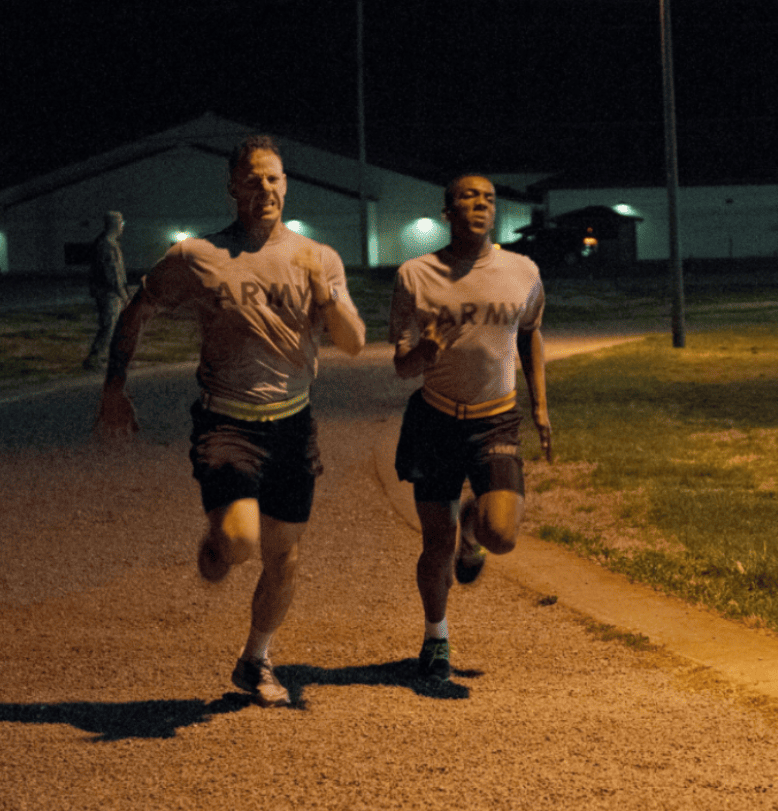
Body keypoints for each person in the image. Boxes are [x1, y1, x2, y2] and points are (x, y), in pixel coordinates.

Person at [94, 135, 366, 706]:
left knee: (284, 556)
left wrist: (330, 299)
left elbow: (354, 342)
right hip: (227, 424)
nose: (264, 188)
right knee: (239, 543)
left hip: (293, 424)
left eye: (273, 178)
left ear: (286, 184)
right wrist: (115, 388)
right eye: (252, 179)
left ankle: (255, 659)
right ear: (233, 188)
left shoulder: (319, 258)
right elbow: (136, 312)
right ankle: (220, 543)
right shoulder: (197, 256)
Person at [389, 174, 551, 684]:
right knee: (435, 543)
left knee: (500, 535)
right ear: (447, 211)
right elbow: (402, 365)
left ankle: (473, 536)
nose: (480, 204)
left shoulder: (522, 270)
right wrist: (424, 351)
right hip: (435, 421)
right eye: (467, 197)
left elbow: (530, 334)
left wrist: (541, 407)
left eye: (488, 198)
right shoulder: (415, 275)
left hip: (495, 419)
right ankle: (435, 638)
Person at [83, 210, 129, 370]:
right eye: (122, 223)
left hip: (110, 292)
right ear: (116, 224)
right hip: (108, 293)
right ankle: (94, 359)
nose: (123, 226)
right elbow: (113, 275)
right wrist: (124, 295)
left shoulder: (109, 243)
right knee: (109, 327)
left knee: (116, 327)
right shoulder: (106, 245)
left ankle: (116, 359)